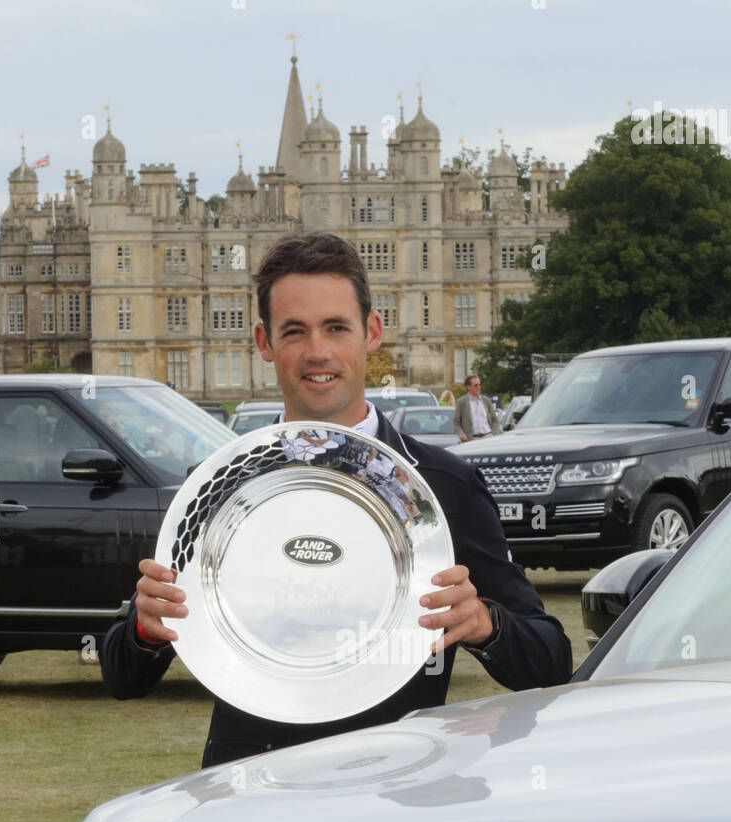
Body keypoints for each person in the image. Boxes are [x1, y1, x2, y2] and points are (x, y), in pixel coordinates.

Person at [100, 233, 571, 769]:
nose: (317, 352)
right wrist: (144, 627)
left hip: (398, 793)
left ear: (371, 333)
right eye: (294, 331)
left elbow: (552, 661)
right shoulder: (215, 489)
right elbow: (120, 675)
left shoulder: (445, 485)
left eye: (335, 328)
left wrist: (486, 623)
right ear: (263, 340)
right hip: (249, 795)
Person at [453, 373, 502, 442]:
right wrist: (461, 434)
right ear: (468, 387)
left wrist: (493, 434)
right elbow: (456, 423)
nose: (479, 387)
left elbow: (495, 419)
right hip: (471, 439)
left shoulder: (486, 400)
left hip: (488, 437)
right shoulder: (461, 402)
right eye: (476, 385)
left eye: (479, 384)